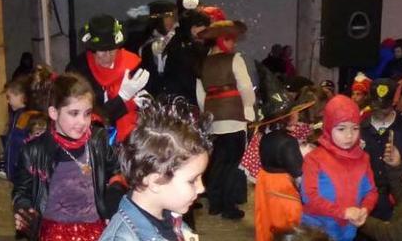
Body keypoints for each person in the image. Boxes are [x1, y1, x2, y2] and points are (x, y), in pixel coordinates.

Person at [12, 73, 120, 241]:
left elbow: (116, 170)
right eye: (74, 113)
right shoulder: (34, 150)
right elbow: (22, 191)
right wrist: (24, 209)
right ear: (54, 113)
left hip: (96, 229)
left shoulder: (98, 140)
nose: (82, 122)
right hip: (54, 232)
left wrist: (114, 195)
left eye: (87, 113)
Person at [99, 98, 211, 241]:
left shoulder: (172, 219)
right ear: (155, 181)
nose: (201, 188)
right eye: (192, 180)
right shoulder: (122, 237)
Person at [196, 18, 256, 220]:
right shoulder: (235, 59)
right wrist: (248, 108)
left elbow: (200, 94)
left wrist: (210, 112)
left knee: (218, 162)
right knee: (232, 162)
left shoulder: (203, 63)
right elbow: (246, 87)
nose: (234, 44)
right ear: (222, 41)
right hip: (234, 117)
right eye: (231, 40)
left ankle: (215, 203)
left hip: (214, 119)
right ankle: (229, 206)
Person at [300, 95, 378, 241]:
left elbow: (371, 191)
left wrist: (364, 210)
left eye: (355, 128)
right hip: (317, 231)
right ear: (329, 127)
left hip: (348, 231)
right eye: (341, 129)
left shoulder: (363, 158)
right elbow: (309, 197)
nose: (349, 136)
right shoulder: (314, 159)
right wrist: (343, 212)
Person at [66, 14, 150, 143]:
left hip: (133, 139)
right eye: (102, 51)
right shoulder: (78, 71)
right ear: (92, 50)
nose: (108, 55)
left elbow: (146, 98)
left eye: (112, 49)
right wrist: (123, 99)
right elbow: (92, 120)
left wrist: (145, 103)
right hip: (96, 142)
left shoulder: (133, 63)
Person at [254, 72, 315, 241]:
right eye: (294, 111)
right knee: (286, 228)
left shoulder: (266, 138)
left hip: (265, 185)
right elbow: (299, 175)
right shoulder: (288, 142)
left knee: (268, 224)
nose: (297, 113)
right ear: (288, 117)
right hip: (283, 191)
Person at [359, 79, 402, 220]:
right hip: (365, 200)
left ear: (395, 101)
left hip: (398, 200)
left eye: (385, 105)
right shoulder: (358, 129)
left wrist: (399, 166)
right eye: (376, 105)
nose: (380, 109)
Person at [3, 76, 44, 182]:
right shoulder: (15, 115)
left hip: (23, 169)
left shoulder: (28, 116)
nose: (7, 101)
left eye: (9, 97)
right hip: (14, 168)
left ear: (20, 96)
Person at [138, 0, 179, 98]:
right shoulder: (147, 46)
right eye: (168, 16)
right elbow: (159, 49)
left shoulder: (179, 40)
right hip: (156, 96)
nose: (173, 20)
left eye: (175, 16)